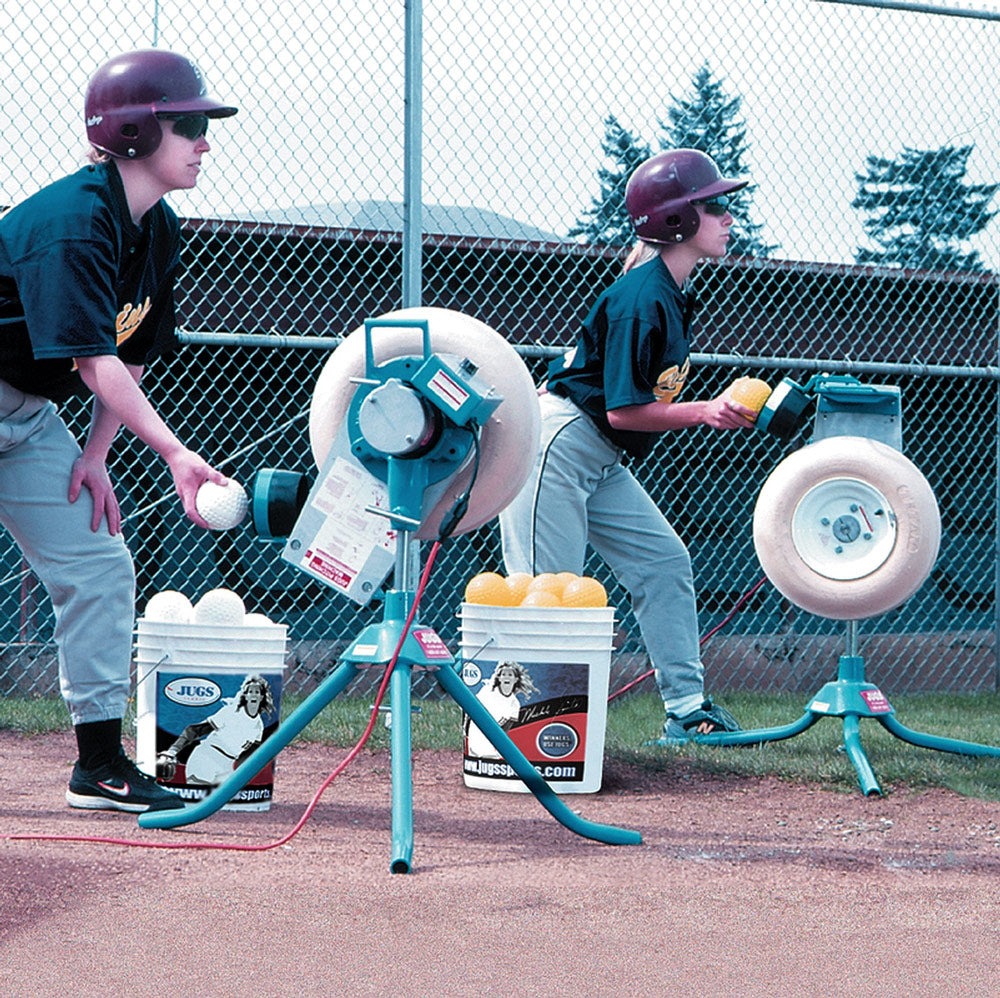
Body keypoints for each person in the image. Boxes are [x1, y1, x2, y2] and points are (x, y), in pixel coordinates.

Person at [0, 49, 239, 812]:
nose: (205, 140)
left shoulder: (155, 227)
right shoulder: (73, 219)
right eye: (191, 123)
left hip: (28, 418)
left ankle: (99, 764)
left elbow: (128, 357)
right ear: (136, 132)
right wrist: (172, 452)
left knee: (100, 564)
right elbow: (91, 359)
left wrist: (99, 455)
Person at [500, 148, 756, 746]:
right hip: (558, 447)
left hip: (598, 455)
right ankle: (527, 736)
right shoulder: (644, 294)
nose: (727, 217)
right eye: (713, 205)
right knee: (548, 594)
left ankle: (687, 710)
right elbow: (622, 410)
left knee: (664, 562)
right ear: (676, 221)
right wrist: (707, 411)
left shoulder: (669, 290)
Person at [156, 674, 275, 786]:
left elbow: (249, 754)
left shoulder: (259, 725)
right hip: (207, 756)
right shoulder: (231, 712)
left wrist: (242, 772)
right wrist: (172, 751)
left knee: (226, 805)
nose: (253, 695)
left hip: (227, 765)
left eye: (257, 692)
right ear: (245, 695)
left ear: (262, 697)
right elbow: (195, 730)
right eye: (250, 691)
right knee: (198, 800)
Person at [464, 659, 539, 759]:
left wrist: (499, 745)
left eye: (510, 674)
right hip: (476, 731)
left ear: (516, 679)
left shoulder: (514, 704)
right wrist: (466, 732)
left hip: (492, 736)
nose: (506, 677)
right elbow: (471, 709)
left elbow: (505, 729)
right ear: (499, 678)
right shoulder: (488, 691)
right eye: (504, 674)